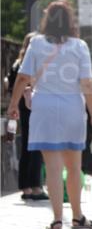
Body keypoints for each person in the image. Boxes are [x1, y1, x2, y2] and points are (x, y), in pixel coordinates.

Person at [7, 0, 92, 229]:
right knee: (74, 167)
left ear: (47, 20)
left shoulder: (36, 44)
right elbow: (87, 83)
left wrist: (13, 105)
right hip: (73, 110)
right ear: (70, 21)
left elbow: (22, 77)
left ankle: (57, 221)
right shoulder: (80, 46)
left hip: (44, 110)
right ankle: (77, 217)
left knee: (52, 168)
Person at [6, 33, 46, 201]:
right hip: (33, 105)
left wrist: (14, 103)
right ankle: (35, 187)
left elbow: (11, 85)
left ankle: (26, 187)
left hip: (22, 106)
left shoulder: (17, 64)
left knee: (26, 146)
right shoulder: (34, 63)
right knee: (36, 146)